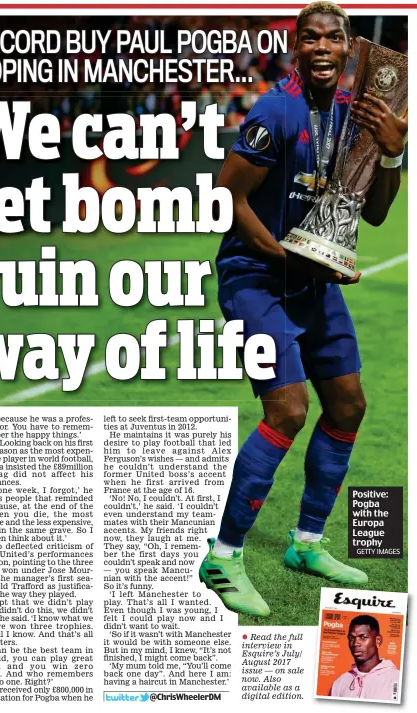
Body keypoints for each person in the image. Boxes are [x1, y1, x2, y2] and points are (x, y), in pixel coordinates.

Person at [199, 1, 407, 617]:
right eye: (309, 37)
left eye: (333, 38)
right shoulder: (275, 112)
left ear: (348, 49)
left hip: (313, 280)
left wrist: (392, 152)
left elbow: (373, 212)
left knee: (348, 403)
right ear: (297, 47)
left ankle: (306, 543)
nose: (322, 47)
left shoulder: (352, 118)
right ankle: (225, 555)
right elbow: (225, 195)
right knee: (287, 409)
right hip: (256, 278)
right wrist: (289, 261)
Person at [329, 615, 400, 700]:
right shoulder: (340, 682)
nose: (355, 643)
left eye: (363, 637)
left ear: (378, 641)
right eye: (351, 638)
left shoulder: (397, 680)